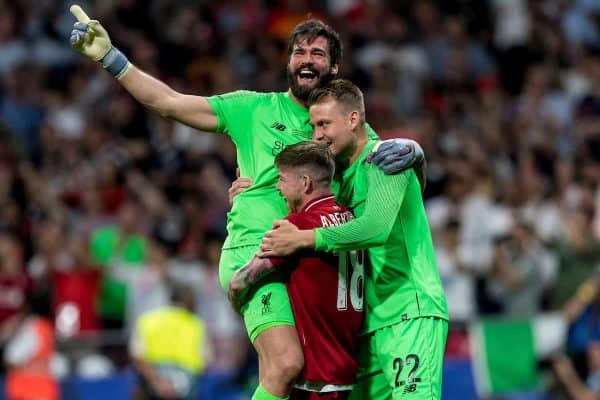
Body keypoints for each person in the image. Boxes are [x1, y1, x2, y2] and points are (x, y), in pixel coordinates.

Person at [69, 7, 424, 399]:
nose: (307, 59)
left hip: (309, 264)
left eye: (318, 53)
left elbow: (392, 179)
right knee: (286, 364)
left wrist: (414, 149)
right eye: (299, 52)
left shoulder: (342, 127)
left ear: (335, 66)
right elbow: (169, 102)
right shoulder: (252, 109)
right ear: (288, 62)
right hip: (257, 251)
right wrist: (111, 58)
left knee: (303, 379)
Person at [259, 79, 449, 399]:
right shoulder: (340, 179)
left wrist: (306, 238)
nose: (317, 134)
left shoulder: (386, 158)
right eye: (313, 125)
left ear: (353, 120)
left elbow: (375, 229)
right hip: (366, 329)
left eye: (324, 124)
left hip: (408, 313)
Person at [229, 141, 363, 400]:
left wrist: (236, 298)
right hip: (344, 369)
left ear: (304, 183)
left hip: (317, 378)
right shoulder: (349, 219)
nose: (278, 188)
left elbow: (243, 279)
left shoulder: (298, 226)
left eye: (281, 180)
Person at [129, 283, 211, 400]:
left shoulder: (147, 320)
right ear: (188, 302)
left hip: (151, 386)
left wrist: (158, 383)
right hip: (186, 388)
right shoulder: (197, 325)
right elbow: (205, 360)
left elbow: (137, 355)